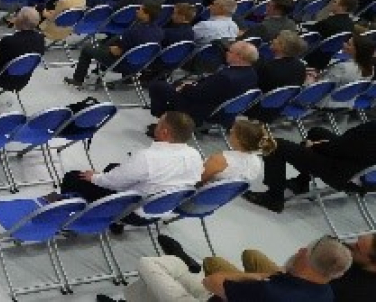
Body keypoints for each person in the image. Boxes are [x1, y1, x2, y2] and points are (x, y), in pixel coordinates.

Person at [104, 236, 353, 302]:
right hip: (223, 296)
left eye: (305, 250)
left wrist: (260, 276)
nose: (300, 250)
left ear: (306, 259)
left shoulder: (270, 291)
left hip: (211, 294)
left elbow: (212, 281)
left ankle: (180, 260)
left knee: (150, 265)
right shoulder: (325, 294)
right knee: (150, 288)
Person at [59, 112, 202, 224]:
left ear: (164, 132)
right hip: (161, 209)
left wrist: (94, 177)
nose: (155, 125)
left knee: (74, 178)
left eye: (158, 124)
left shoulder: (148, 157)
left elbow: (113, 182)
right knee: (113, 167)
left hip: (132, 212)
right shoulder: (195, 156)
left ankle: (67, 217)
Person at [244, 119, 376, 213]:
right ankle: (302, 183)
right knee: (317, 132)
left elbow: (343, 149)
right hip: (360, 170)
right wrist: (323, 142)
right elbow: (348, 146)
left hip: (340, 171)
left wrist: (315, 145)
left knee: (276, 146)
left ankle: (274, 198)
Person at [148, 40, 259, 125]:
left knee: (157, 86)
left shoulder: (225, 77)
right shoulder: (252, 74)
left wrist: (185, 87)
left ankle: (167, 122)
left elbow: (197, 95)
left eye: (229, 51)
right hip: (222, 111)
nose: (226, 53)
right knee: (176, 85)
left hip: (199, 110)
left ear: (239, 57)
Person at [66, 3, 163, 86]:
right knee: (114, 40)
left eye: (140, 10)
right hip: (140, 65)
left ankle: (78, 80)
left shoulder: (133, 32)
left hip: (123, 64)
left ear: (147, 15)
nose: (137, 11)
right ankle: (99, 73)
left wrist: (109, 48)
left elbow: (116, 52)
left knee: (87, 48)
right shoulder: (160, 32)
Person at [200, 118, 273, 186]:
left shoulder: (219, 160)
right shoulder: (257, 162)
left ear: (240, 140)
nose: (230, 130)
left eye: (233, 131)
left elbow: (198, 181)